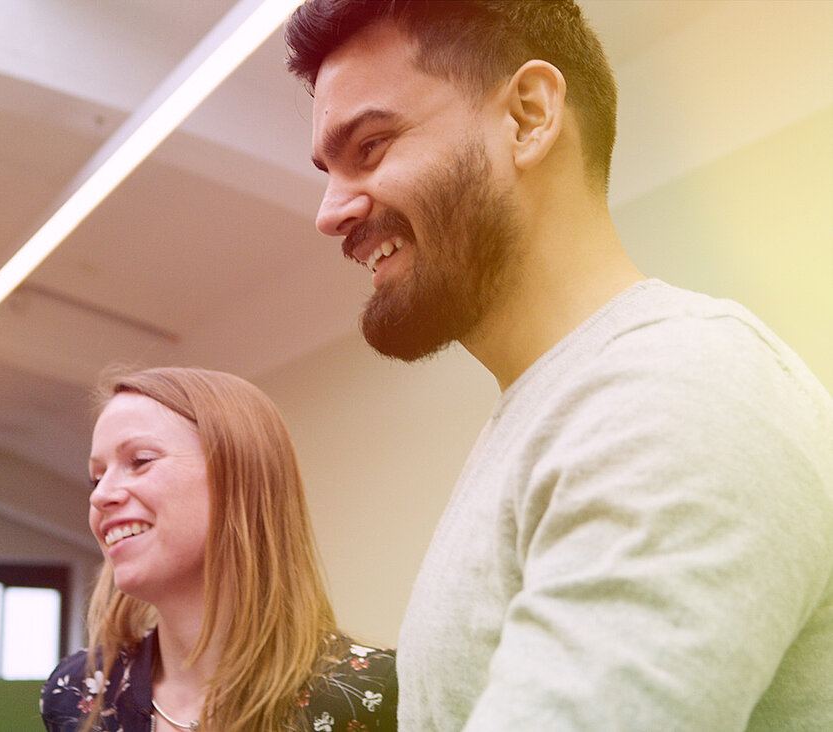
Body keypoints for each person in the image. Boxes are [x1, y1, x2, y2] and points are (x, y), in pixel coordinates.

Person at [284, 1, 833, 730]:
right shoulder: (554, 411)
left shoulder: (674, 394)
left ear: (529, 116)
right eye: (329, 169)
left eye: (373, 145)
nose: (330, 212)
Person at [40, 367, 396, 732]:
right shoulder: (76, 694)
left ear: (239, 475)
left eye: (141, 460)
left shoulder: (373, 696)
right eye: (95, 478)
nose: (100, 495)